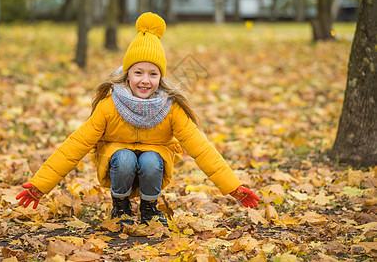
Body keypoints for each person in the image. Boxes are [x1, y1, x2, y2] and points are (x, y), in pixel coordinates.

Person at [16, 12, 260, 227]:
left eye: (153, 74)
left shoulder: (170, 107)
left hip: (154, 166)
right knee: (124, 157)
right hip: (116, 164)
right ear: (127, 75)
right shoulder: (109, 105)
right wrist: (41, 185)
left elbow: (202, 148)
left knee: (152, 159)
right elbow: (74, 146)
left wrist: (233, 187)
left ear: (160, 77)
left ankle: (148, 209)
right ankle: (120, 206)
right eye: (138, 72)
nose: (146, 80)